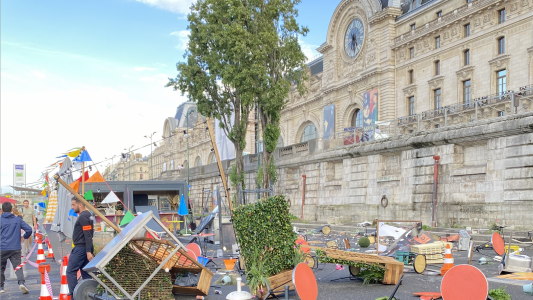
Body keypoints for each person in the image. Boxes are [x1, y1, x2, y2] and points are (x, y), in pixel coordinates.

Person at [1, 202, 32, 294]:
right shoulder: (17, 220)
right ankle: (21, 283)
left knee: (1, 268)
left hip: (2, 247)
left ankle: (1, 287)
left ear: (2, 210)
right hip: (15, 247)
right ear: (11, 210)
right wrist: (24, 236)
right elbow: (29, 229)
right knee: (18, 267)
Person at [66, 197, 94, 299]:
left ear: (80, 204)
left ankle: (75, 296)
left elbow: (87, 234)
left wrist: (88, 251)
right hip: (85, 248)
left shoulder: (83, 217)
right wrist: (89, 250)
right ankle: (88, 295)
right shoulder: (88, 215)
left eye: (73, 205)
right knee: (85, 273)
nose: (72, 207)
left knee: (70, 271)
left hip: (81, 249)